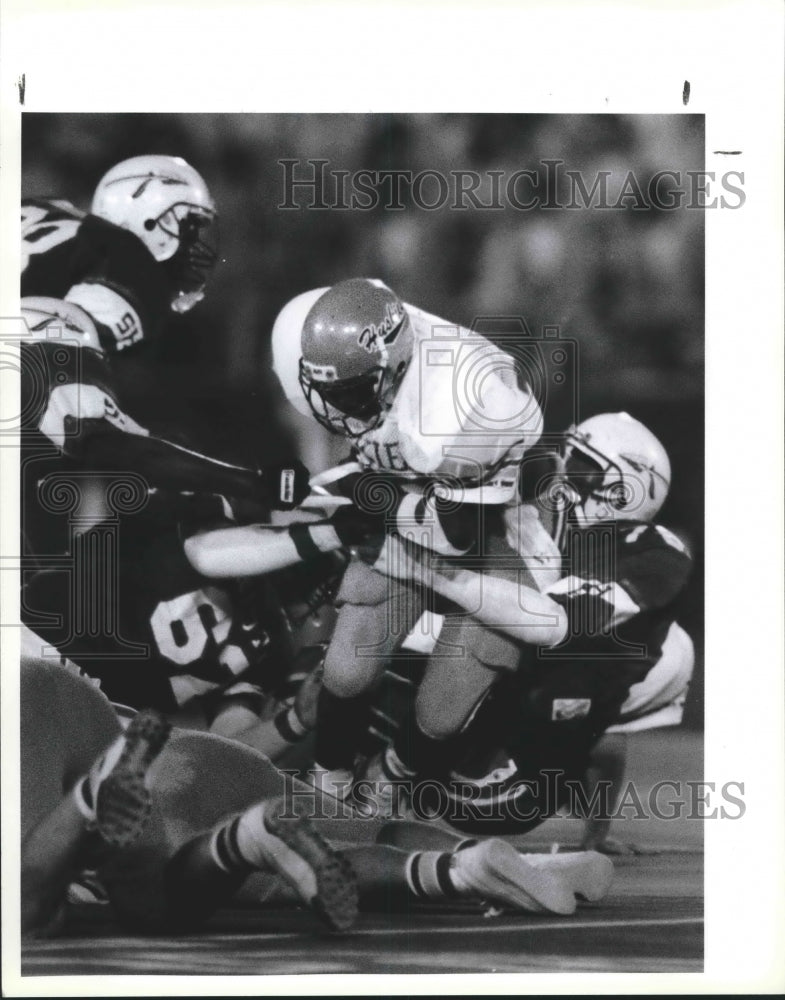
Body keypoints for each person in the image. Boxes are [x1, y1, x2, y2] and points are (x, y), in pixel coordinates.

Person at [20, 657, 613, 939]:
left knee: (145, 903)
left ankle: (233, 841)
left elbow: (32, 911)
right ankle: (485, 862)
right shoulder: (32, 675)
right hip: (202, 757)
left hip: (149, 794)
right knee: (363, 831)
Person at [270, 278, 546, 798]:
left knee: (443, 708)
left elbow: (454, 536)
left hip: (496, 521)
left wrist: (365, 497)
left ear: (394, 368)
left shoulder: (474, 407)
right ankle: (328, 780)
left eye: (349, 392)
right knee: (348, 668)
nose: (335, 407)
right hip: (414, 492)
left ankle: (390, 780)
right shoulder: (336, 331)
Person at [355, 412, 694, 834]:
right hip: (470, 726)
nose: (561, 473)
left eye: (580, 465)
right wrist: (597, 835)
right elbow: (608, 731)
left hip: (510, 776)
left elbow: (547, 625)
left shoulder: (649, 553)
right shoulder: (548, 528)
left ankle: (399, 797)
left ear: (623, 492)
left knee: (487, 624)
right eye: (564, 457)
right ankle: (372, 777)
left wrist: (428, 570)